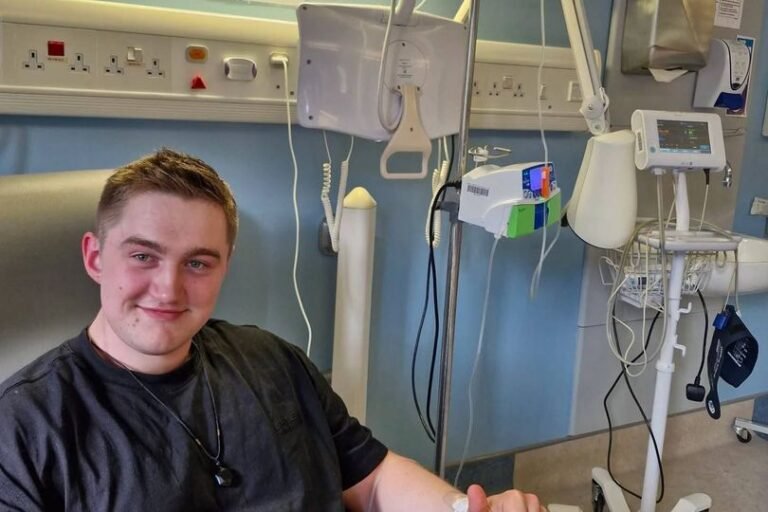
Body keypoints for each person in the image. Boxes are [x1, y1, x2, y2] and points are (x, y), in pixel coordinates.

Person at [0, 148, 543, 512]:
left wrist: (457, 509)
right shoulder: (25, 428)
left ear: (224, 266)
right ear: (96, 258)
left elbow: (374, 478)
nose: (167, 289)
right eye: (143, 256)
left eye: (197, 263)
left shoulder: (271, 361)